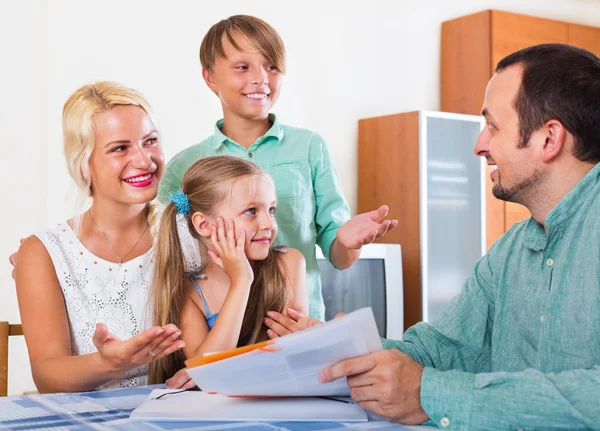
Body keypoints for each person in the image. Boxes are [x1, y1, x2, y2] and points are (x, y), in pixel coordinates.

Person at [265, 43, 600, 429]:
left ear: (549, 138)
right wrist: (339, 348)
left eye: (492, 126)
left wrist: (429, 393)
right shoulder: (509, 252)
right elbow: (443, 350)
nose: (479, 145)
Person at [157, 15, 397, 320]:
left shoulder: (309, 147)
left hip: (295, 321)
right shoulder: (185, 165)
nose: (261, 79)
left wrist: (348, 243)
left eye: (271, 66)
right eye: (243, 67)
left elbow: (341, 257)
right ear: (210, 78)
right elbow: (173, 254)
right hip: (222, 327)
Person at [14, 82, 184, 392]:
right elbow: (47, 375)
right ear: (83, 164)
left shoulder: (189, 235)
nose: (145, 160)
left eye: (150, 141)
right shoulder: (44, 252)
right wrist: (112, 363)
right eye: (121, 148)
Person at [148, 156, 308, 385]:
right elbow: (208, 371)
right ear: (204, 225)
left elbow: (295, 358)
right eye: (251, 211)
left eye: (271, 209)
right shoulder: (189, 291)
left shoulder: (289, 264)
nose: (269, 224)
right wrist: (241, 281)